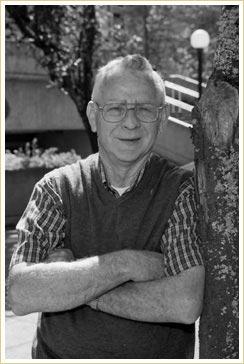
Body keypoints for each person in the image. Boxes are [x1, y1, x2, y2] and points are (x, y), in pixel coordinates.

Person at [8, 54, 205, 359]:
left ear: (163, 117)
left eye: (144, 109)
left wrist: (74, 288)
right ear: (92, 115)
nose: (130, 122)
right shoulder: (56, 189)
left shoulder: (181, 190)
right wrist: (128, 264)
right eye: (115, 108)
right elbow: (21, 293)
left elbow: (184, 303)